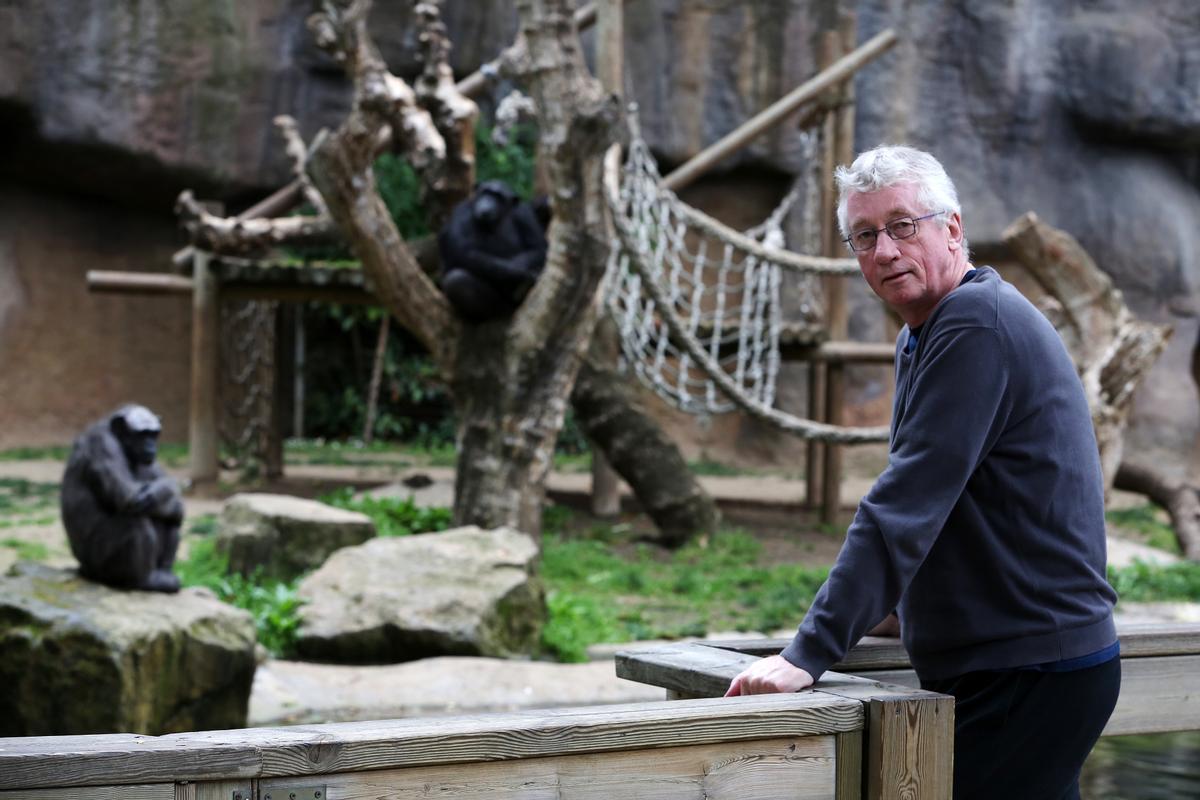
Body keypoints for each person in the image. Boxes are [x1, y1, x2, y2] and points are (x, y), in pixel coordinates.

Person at [724, 145, 1120, 800]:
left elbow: (903, 504)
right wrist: (890, 610)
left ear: (952, 229)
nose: (883, 250)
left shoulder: (975, 323)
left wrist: (807, 654)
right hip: (1024, 663)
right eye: (865, 235)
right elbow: (953, 502)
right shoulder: (924, 331)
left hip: (1031, 667)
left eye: (903, 225)